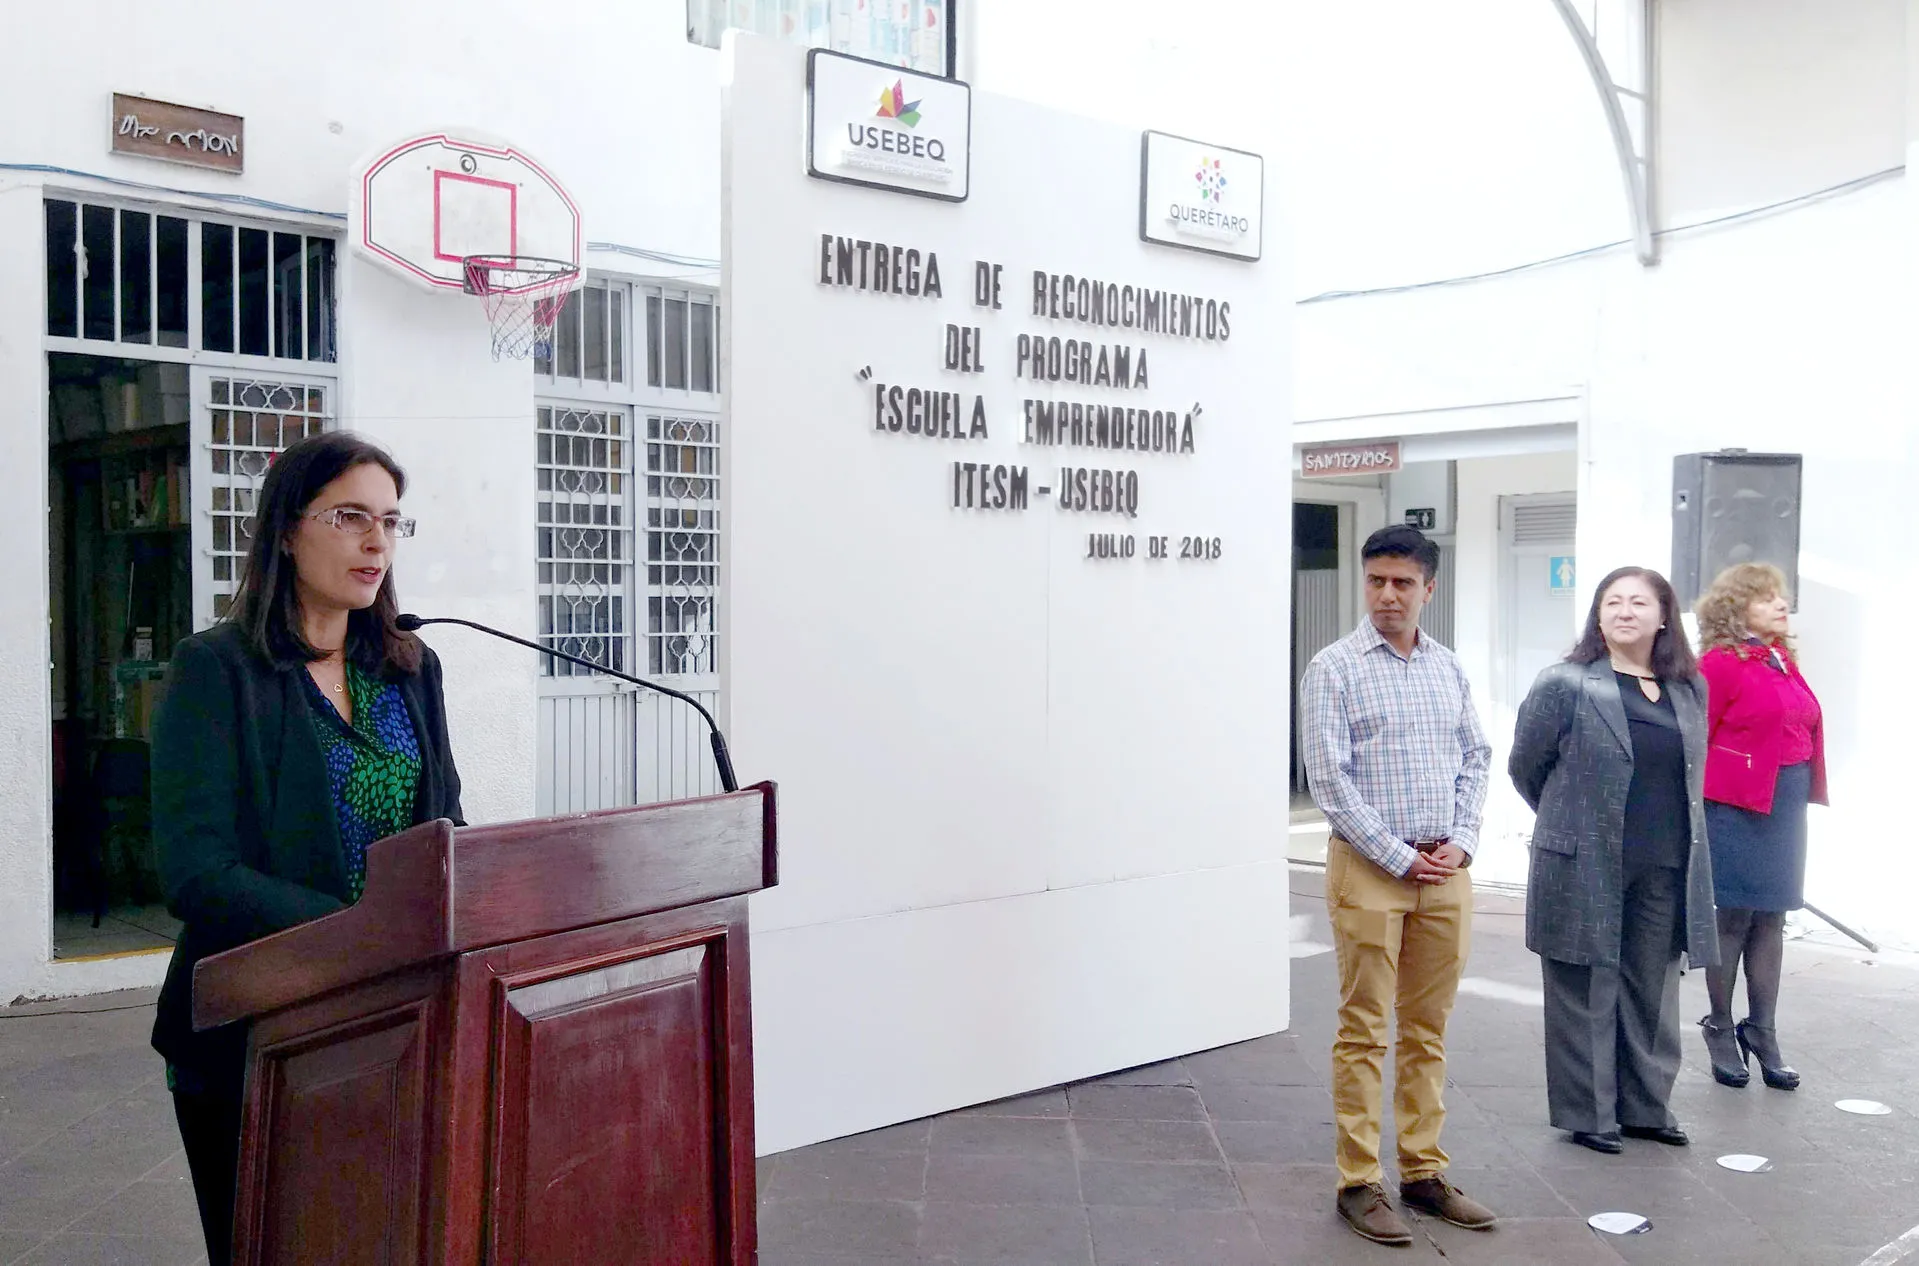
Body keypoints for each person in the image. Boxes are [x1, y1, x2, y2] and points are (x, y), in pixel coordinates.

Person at [149, 432, 464, 1264]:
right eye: (352, 517)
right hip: (255, 1030)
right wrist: (357, 934)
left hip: (394, 1025)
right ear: (288, 528)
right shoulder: (216, 669)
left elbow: (447, 829)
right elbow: (196, 871)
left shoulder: (408, 666)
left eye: (391, 522)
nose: (376, 543)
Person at [1301, 525, 1498, 1246]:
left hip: (1443, 871)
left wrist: (1463, 840)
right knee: (1362, 1029)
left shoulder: (1448, 669)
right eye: (1376, 581)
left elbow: (1476, 757)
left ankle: (1422, 1172)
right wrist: (1395, 855)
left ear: (1428, 589)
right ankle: (1358, 1181)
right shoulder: (1334, 668)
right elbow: (1328, 780)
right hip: (1369, 869)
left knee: (1428, 1029)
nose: (1387, 595)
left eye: (1402, 583)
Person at [1508, 567, 1720, 1154]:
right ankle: (1589, 1114)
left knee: (1652, 988)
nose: (1625, 611)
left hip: (1666, 862)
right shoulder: (1566, 683)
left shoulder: (1688, 689)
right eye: (1612, 602)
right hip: (1583, 859)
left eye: (1638, 602)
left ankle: (1647, 1107)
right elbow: (1527, 768)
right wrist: (1571, 820)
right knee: (1584, 985)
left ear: (1663, 615)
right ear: (1598, 615)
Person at [1694, 562, 1825, 1092]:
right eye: (1767, 597)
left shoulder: (1779, 659)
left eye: (1781, 597)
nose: (1780, 604)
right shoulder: (1719, 664)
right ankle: (1720, 1025)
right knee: (1733, 917)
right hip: (1736, 805)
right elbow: (1697, 739)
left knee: (1772, 916)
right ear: (1736, 606)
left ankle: (1762, 1029)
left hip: (1785, 803)